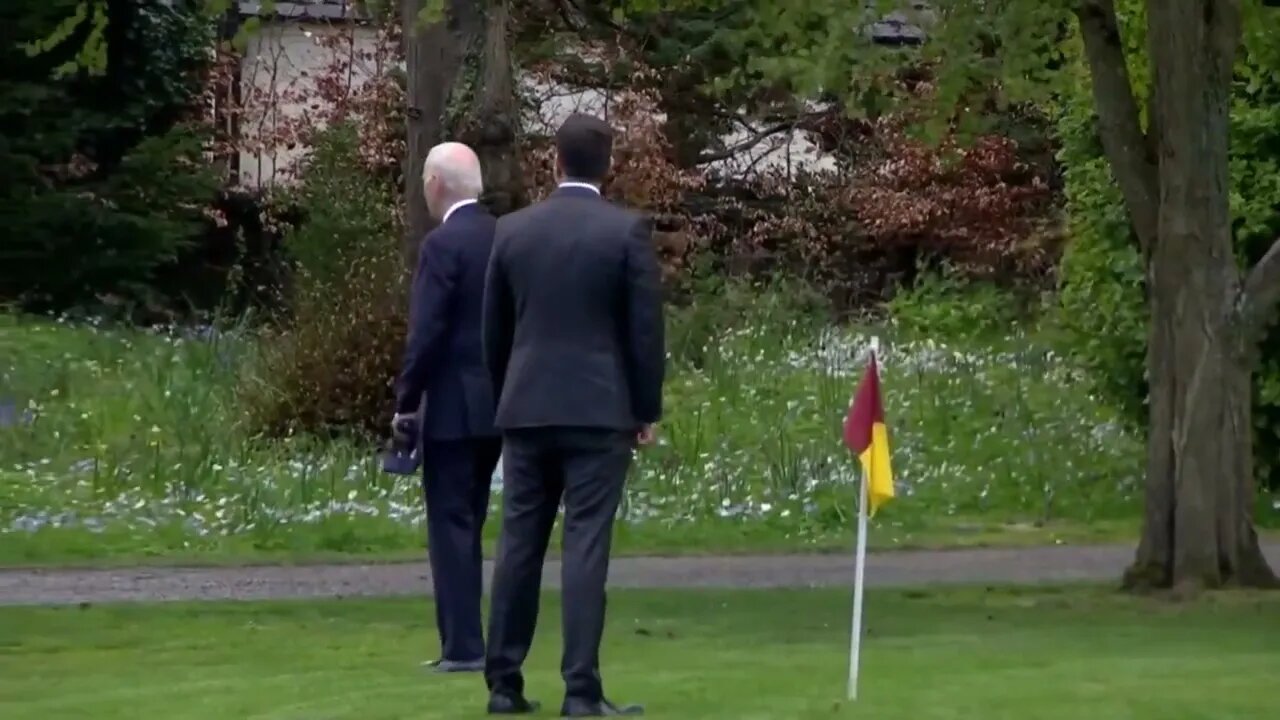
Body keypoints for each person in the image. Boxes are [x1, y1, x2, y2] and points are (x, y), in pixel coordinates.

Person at [481, 113, 666, 717]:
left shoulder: (512, 231)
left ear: (554, 161)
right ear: (606, 167)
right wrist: (645, 408)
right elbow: (644, 331)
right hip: (598, 407)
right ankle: (580, 690)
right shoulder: (625, 233)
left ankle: (503, 683)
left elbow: (494, 331)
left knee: (518, 544)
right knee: (586, 545)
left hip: (528, 405)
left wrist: (507, 391)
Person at [392, 142, 501, 674]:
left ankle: (462, 645)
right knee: (479, 518)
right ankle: (491, 639)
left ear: (435, 184)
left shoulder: (443, 246)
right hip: (501, 403)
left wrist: (406, 401)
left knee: (451, 526)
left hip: (454, 405)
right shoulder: (506, 237)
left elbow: (427, 331)